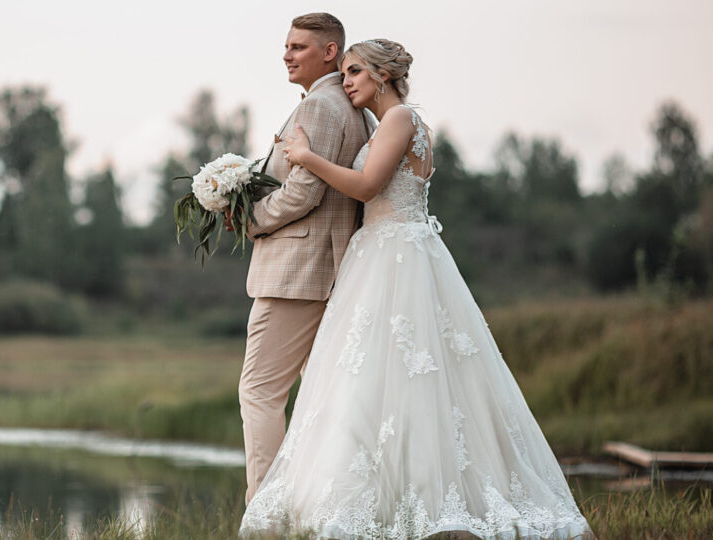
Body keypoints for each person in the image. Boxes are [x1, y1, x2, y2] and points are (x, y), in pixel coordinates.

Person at [239, 39, 593, 539]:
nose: (348, 82)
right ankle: (379, 497)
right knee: (379, 382)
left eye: (356, 72)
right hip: (388, 249)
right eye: (344, 74)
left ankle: (409, 504)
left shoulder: (402, 118)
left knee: (399, 376)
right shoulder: (394, 123)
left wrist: (305, 157)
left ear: (384, 74)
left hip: (394, 256)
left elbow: (365, 187)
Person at [237, 12, 370, 505]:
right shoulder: (352, 106)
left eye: (298, 47)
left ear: (330, 52)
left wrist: (249, 219)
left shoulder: (321, 106)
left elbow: (303, 194)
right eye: (286, 47)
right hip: (328, 270)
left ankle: (265, 512)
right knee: (321, 402)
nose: (287, 55)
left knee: (259, 394)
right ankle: (322, 507)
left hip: (297, 273)